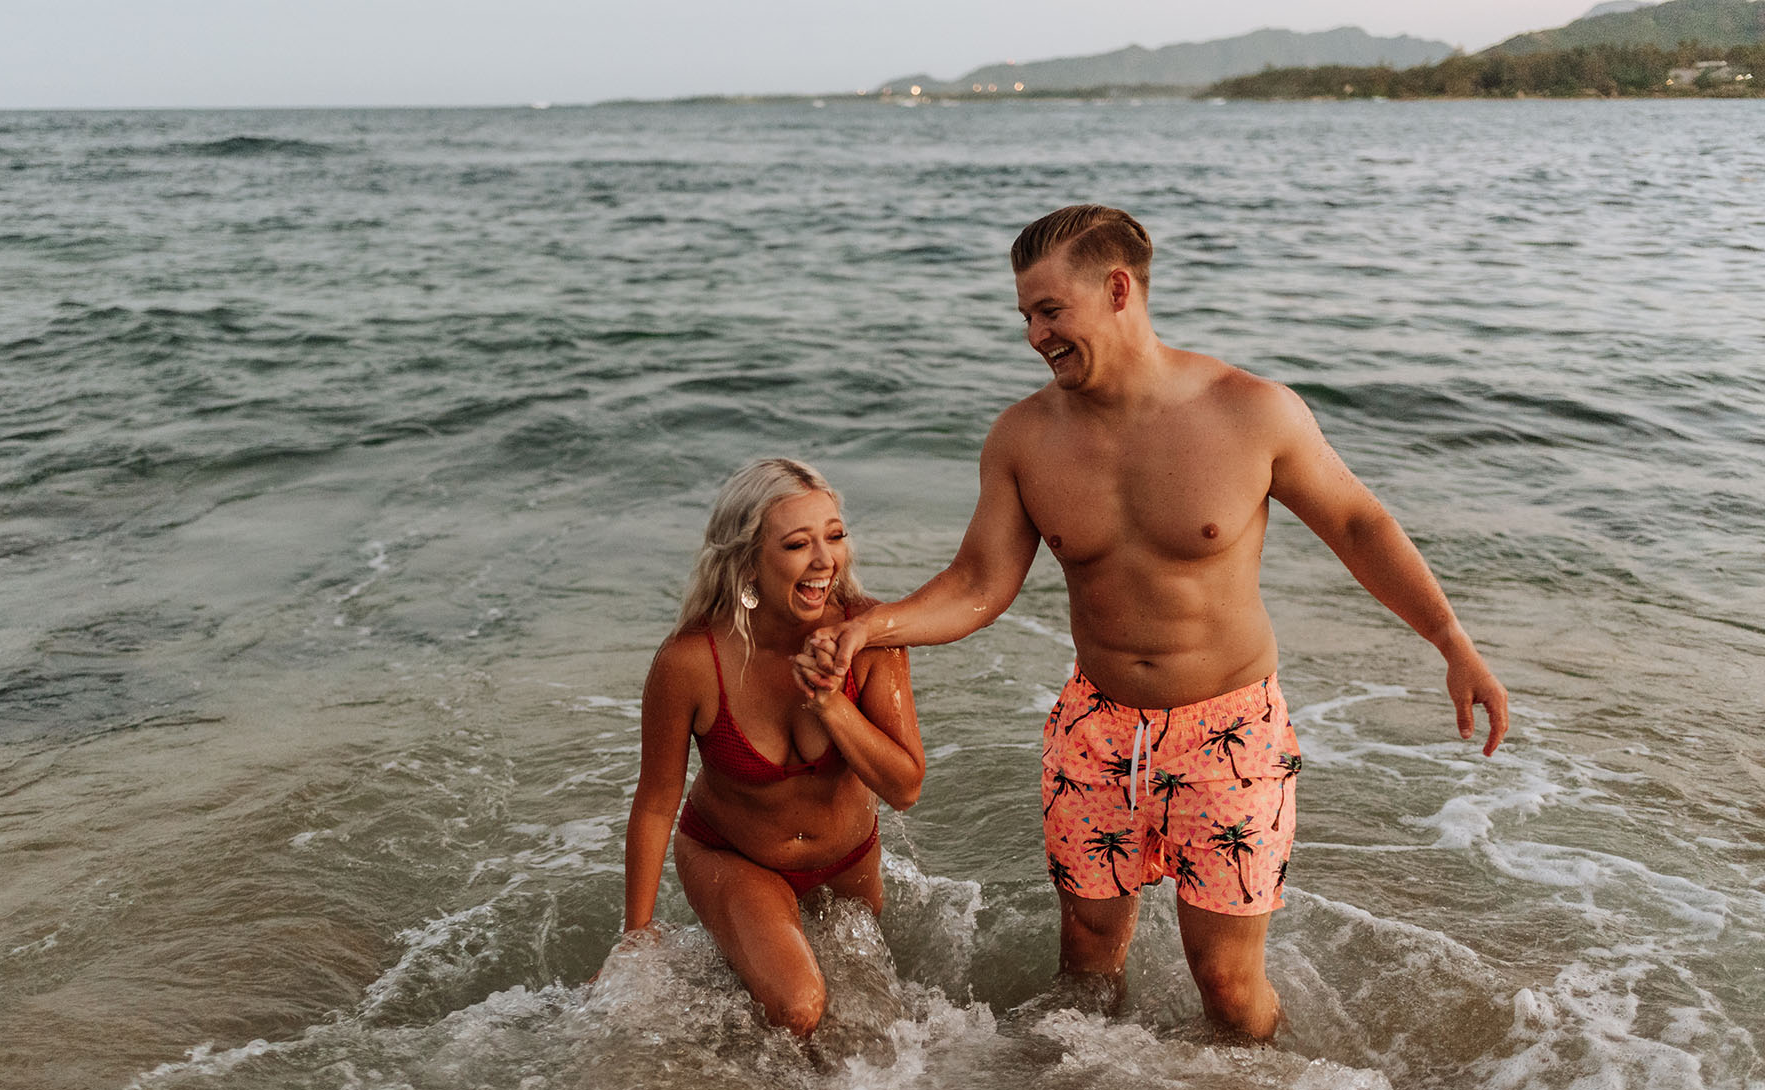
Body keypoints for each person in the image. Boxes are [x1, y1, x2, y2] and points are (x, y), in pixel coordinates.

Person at [802, 205, 1508, 1042]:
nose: (1034, 333)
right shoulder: (1024, 437)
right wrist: (869, 627)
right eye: (1024, 315)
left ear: (1117, 289)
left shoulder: (1250, 412)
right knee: (1087, 963)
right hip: (1094, 731)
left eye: (1049, 310)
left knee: (1229, 986)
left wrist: (1451, 640)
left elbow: (1359, 525)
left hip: (1229, 734)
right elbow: (979, 583)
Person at [621, 457, 926, 1035]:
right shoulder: (690, 662)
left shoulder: (869, 638)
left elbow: (905, 786)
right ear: (747, 561)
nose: (824, 561)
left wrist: (830, 703)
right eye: (796, 545)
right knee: (797, 1006)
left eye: (834, 537)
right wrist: (636, 938)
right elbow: (657, 802)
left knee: (864, 1034)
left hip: (849, 863)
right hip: (733, 856)